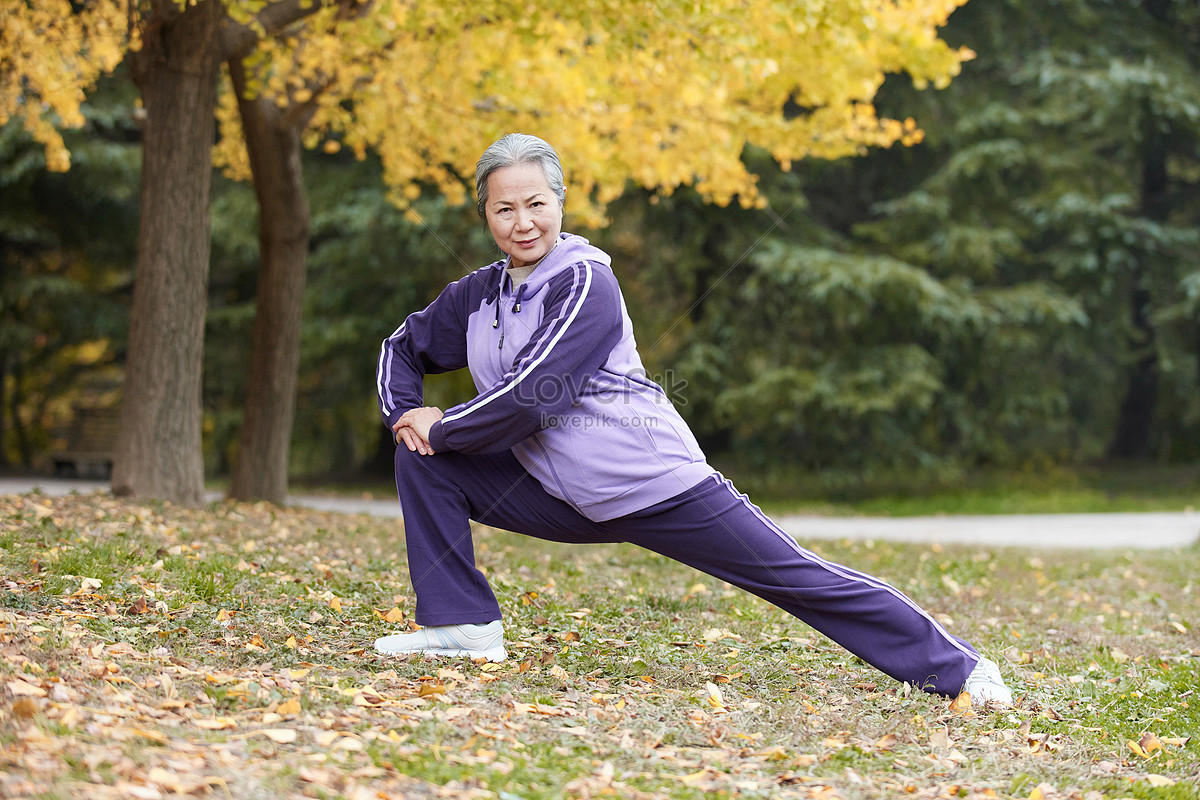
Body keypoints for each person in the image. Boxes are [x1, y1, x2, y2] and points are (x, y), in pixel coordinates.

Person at [374, 133, 1013, 705]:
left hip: (650, 484)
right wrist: (409, 416)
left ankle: (958, 670)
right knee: (421, 457)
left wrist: (446, 426)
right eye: (504, 208)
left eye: (535, 203)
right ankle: (463, 627)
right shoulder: (482, 294)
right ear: (485, 214)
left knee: (795, 576)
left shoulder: (586, 282)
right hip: (554, 494)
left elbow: (537, 394)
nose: (522, 222)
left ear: (560, 204)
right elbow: (403, 346)